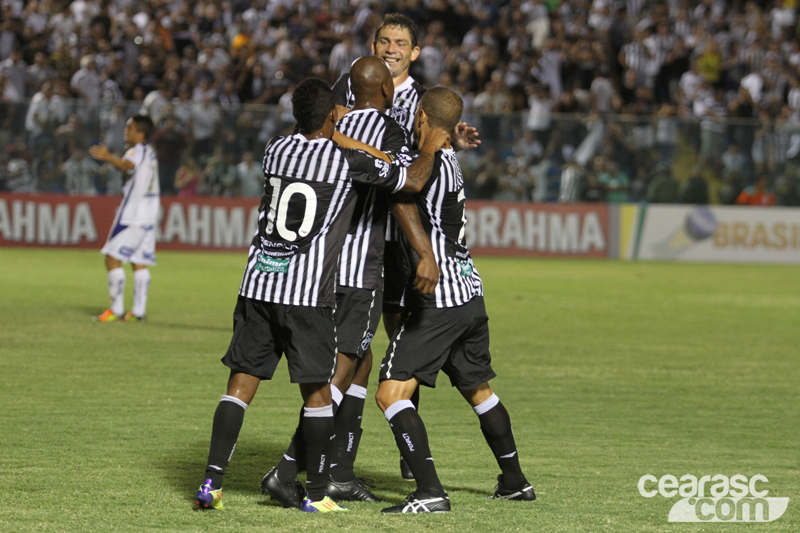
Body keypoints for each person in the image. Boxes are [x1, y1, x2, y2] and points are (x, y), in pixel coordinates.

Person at [193, 78, 449, 513]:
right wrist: (427, 149)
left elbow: (316, 133)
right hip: (304, 292)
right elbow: (403, 177)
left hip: (257, 283)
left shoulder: (276, 148)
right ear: (333, 115)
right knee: (319, 392)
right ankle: (315, 495)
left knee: (239, 386)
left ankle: (211, 484)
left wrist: (333, 121)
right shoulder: (344, 160)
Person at [261, 56, 439, 507]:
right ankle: (288, 468)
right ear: (387, 92)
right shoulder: (388, 130)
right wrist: (433, 150)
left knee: (359, 361)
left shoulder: (331, 128)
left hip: (319, 267)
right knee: (343, 367)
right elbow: (405, 188)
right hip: (360, 271)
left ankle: (340, 470)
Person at [332, 12, 479, 481]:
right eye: (384, 40)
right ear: (373, 46)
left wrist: (452, 138)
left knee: (399, 346)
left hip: (400, 243)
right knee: (349, 350)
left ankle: (406, 456)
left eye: (400, 43)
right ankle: (338, 459)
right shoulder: (352, 84)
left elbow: (425, 149)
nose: (390, 48)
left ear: (415, 53)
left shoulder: (420, 101)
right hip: (356, 236)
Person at [375, 87, 535, 513]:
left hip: (438, 299)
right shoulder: (450, 161)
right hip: (469, 292)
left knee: (391, 395)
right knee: (479, 391)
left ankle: (429, 491)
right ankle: (515, 481)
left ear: (423, 119)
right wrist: (444, 140)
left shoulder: (425, 164)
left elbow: (406, 183)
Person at [89, 115, 159, 323]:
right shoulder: (151, 153)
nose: (125, 131)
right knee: (139, 262)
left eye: (129, 128)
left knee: (111, 257)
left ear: (140, 133)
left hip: (132, 216)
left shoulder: (135, 151)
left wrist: (110, 157)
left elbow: (128, 165)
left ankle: (116, 310)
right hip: (148, 215)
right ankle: (138, 313)